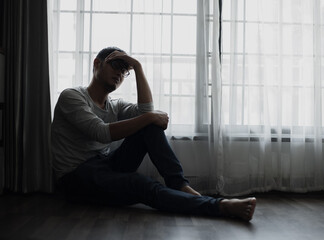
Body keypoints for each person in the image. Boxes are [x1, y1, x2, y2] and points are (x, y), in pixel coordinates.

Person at [51, 46, 256, 221]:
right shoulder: (72, 96)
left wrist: (138, 67)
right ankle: (219, 206)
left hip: (104, 165)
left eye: (125, 71)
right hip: (76, 177)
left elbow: (146, 114)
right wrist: (150, 118)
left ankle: (179, 184)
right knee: (142, 184)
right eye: (115, 66)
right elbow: (101, 132)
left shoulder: (114, 105)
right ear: (97, 63)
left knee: (149, 125)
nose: (120, 74)